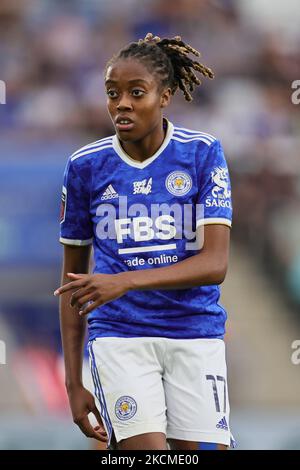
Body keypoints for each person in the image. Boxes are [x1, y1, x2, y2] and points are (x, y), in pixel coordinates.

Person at [55, 33, 235, 451]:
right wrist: (72, 382)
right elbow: (72, 279)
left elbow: (215, 264)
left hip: (195, 332)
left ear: (165, 96)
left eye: (137, 93)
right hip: (121, 336)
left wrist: (125, 281)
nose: (122, 104)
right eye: (112, 93)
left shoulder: (202, 153)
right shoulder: (85, 166)